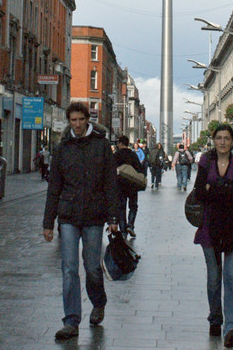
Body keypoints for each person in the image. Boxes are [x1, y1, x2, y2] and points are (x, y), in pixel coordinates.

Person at [42, 102, 120, 342]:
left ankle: (98, 302)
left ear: (87, 119)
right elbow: (54, 186)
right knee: (68, 268)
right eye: (72, 120)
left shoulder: (101, 145)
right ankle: (71, 320)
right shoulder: (63, 147)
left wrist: (114, 217)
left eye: (80, 120)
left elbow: (110, 183)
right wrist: (48, 222)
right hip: (68, 215)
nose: (76, 125)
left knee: (92, 267)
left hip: (94, 216)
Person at [193, 123, 233, 348]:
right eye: (219, 138)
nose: (223, 142)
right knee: (214, 278)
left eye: (227, 138)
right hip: (210, 227)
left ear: (232, 141)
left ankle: (232, 327)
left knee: (231, 277)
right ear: (213, 140)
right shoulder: (205, 163)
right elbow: (199, 192)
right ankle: (216, 318)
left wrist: (215, 189)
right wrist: (228, 189)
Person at [114, 135, 143, 237]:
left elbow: (111, 170)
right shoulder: (133, 155)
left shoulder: (116, 155)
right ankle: (130, 225)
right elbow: (139, 169)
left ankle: (123, 231)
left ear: (120, 143)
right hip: (132, 185)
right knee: (133, 206)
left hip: (120, 185)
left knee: (121, 208)